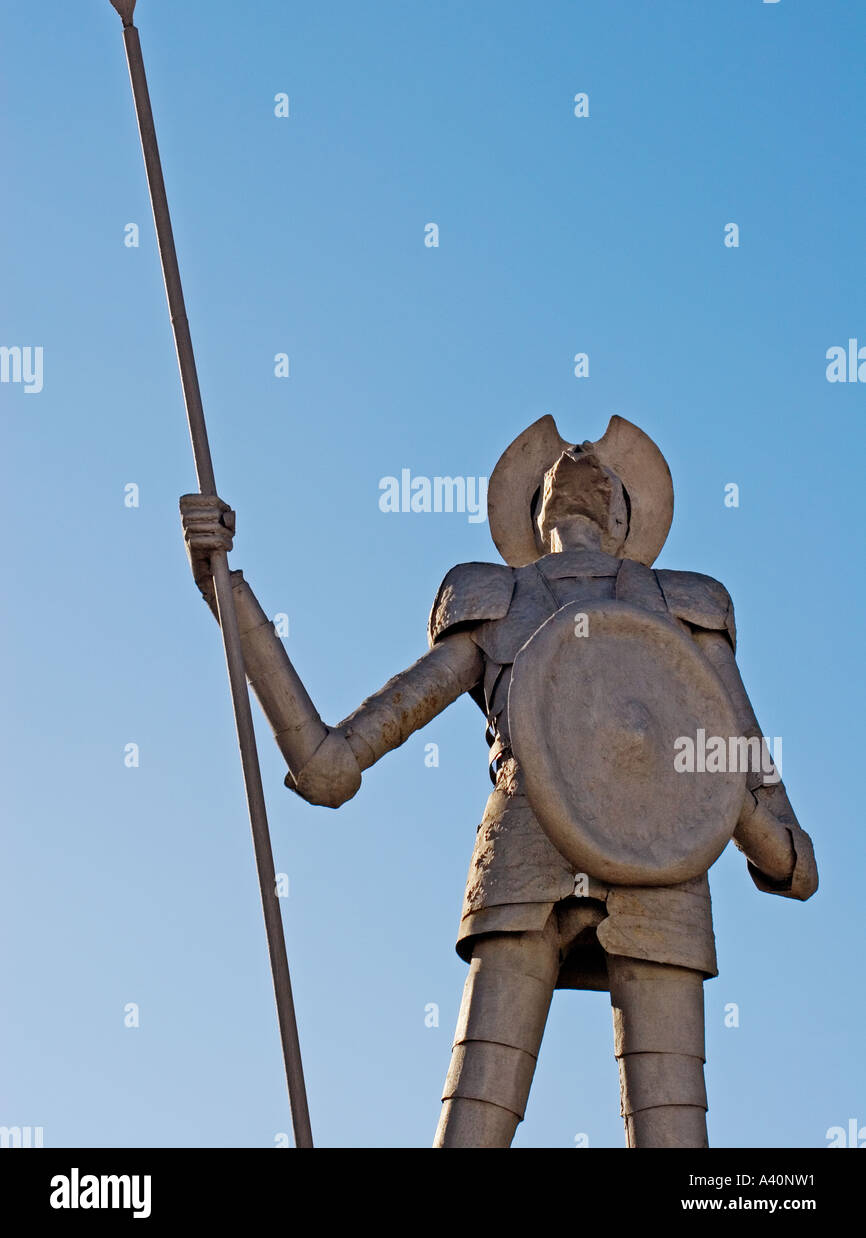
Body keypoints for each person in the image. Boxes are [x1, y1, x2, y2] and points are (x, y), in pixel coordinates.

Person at [180, 414, 817, 1148]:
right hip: (523, 849)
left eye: (598, 470)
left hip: (664, 862)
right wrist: (229, 591)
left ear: (622, 513)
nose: (577, 457)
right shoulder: (494, 600)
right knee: (471, 1129)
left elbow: (772, 816)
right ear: (534, 510)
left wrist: (743, 822)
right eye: (559, 467)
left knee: (677, 1140)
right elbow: (327, 766)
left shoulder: (687, 606)